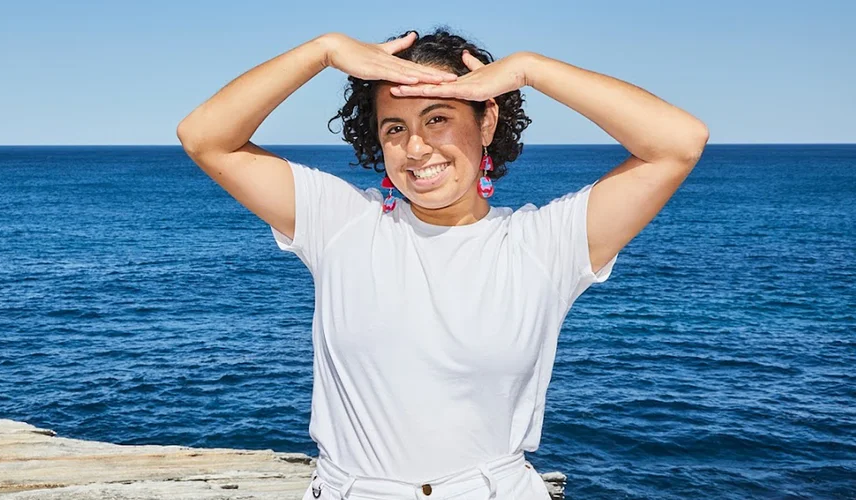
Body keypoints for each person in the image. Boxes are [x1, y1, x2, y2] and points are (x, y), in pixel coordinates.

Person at [177, 27, 707, 500]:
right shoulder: (340, 222)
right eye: (394, 128)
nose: (416, 146)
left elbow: (678, 144)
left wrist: (530, 69)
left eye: (439, 117)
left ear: (486, 122)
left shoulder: (546, 242)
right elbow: (205, 138)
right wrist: (325, 51)